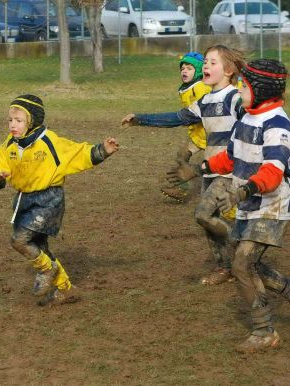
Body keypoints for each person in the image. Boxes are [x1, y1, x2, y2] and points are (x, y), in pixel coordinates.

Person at [121, 45, 245, 286]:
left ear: (229, 70)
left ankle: (244, 250)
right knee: (210, 221)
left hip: (230, 171)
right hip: (211, 168)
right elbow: (177, 118)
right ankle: (225, 267)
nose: (206, 66)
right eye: (206, 62)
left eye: (211, 62)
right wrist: (140, 119)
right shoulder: (205, 101)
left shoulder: (235, 98)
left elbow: (256, 123)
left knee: (203, 215)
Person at [0, 94, 119, 306]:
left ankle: (47, 269)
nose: (13, 125)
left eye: (19, 121)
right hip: (24, 201)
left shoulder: (49, 141)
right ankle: (66, 289)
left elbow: (77, 153)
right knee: (39, 248)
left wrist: (102, 151)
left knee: (19, 241)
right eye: (10, 120)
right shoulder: (10, 144)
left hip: (49, 200)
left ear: (32, 122)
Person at [198, 59, 290, 353]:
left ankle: (265, 331)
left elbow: (273, 173)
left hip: (271, 206)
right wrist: (198, 168)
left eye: (244, 85)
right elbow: (229, 157)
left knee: (241, 263)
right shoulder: (247, 118)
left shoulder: (277, 124)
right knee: (252, 265)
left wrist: (243, 190)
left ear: (260, 90)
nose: (239, 89)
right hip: (249, 203)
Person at [160, 52, 211, 203]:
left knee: (215, 168)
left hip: (211, 136)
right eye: (182, 68)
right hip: (198, 135)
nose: (184, 71)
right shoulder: (187, 87)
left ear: (199, 71)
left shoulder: (201, 87)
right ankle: (181, 189)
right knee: (182, 155)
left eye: (189, 68)